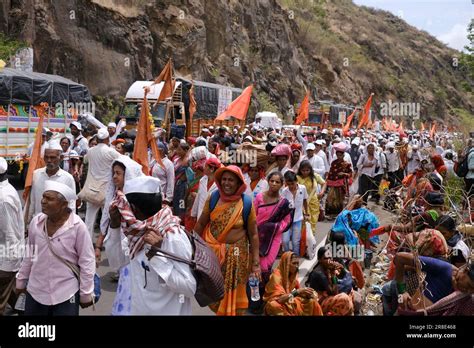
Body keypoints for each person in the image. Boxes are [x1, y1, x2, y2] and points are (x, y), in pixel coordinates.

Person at [104, 176, 196, 315]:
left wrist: (158, 255)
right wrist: (114, 227)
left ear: (133, 210)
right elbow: (117, 263)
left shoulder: (173, 236)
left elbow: (189, 287)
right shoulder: (136, 236)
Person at [16, 181, 95, 315]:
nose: (43, 201)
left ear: (64, 204)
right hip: (36, 291)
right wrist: (21, 280)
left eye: (49, 199)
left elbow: (87, 261)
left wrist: (86, 292)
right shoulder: (37, 222)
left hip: (65, 292)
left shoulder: (77, 226)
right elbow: (29, 254)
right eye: (43, 197)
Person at [194, 165, 261, 316]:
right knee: (215, 295)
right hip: (214, 257)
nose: (226, 183)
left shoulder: (246, 203)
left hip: (238, 257)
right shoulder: (213, 198)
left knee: (236, 296)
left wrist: (256, 263)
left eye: (231, 180)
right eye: (223, 179)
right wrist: (192, 248)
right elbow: (201, 224)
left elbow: (254, 234)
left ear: (239, 183)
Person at [100, 156, 144, 315]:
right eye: (113, 173)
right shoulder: (116, 201)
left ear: (129, 175)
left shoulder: (141, 205)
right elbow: (114, 249)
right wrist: (114, 223)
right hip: (125, 267)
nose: (114, 177)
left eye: (118, 173)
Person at [251, 172, 293, 313]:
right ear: (268, 181)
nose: (274, 184)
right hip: (257, 236)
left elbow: (286, 221)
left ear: (282, 184)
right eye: (272, 181)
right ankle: (254, 301)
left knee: (266, 267)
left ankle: (264, 298)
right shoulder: (259, 197)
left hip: (274, 238)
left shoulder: (283, 203)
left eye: (277, 182)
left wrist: (273, 228)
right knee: (255, 269)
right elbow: (252, 216)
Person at [393, 252, 474, 315]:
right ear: (465, 271)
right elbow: (399, 258)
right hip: (409, 312)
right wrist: (402, 292)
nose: (469, 291)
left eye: (473, 291)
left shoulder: (465, 298)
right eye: (469, 285)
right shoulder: (444, 268)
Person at [81, 128, 120, 241]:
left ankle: (87, 244)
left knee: (89, 220)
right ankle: (104, 242)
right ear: (107, 139)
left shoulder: (91, 151)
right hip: (105, 191)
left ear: (97, 139)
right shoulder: (111, 152)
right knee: (106, 219)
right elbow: (122, 160)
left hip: (91, 190)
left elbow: (85, 160)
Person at [26, 142, 76, 225]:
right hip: (38, 223)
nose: (49, 160)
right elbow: (33, 201)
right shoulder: (36, 174)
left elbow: (71, 205)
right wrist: (29, 222)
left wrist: (70, 225)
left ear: (61, 158)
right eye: (46, 157)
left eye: (53, 157)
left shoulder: (68, 178)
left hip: (59, 225)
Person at [0, 158, 24, 315]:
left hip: (6, 257)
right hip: (7, 255)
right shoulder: (5, 190)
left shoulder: (3, 199)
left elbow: (10, 234)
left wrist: (10, 262)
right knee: (11, 292)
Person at [263, 251, 322, 316]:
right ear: (286, 263)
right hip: (278, 303)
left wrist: (308, 293)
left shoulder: (292, 275)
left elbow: (299, 291)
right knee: (274, 305)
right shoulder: (276, 277)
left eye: (297, 263)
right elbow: (279, 300)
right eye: (294, 263)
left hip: (288, 300)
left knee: (311, 302)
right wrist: (298, 292)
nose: (296, 266)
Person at [306, 246, 356, 316]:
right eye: (326, 258)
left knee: (350, 291)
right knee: (344, 298)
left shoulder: (327, 268)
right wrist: (333, 274)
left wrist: (342, 268)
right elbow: (334, 292)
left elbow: (345, 277)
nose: (329, 260)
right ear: (319, 260)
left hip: (327, 295)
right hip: (319, 301)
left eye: (330, 257)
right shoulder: (319, 273)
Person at [281, 171, 309, 256]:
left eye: (292, 183)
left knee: (295, 241)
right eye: (288, 184)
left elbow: (305, 201)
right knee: (285, 241)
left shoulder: (303, 188)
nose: (291, 186)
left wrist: (306, 213)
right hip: (286, 220)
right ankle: (286, 257)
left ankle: (295, 258)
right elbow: (281, 205)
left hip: (298, 219)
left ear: (296, 181)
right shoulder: (284, 191)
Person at [297, 160, 326, 232]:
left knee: (313, 220)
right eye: (303, 170)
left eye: (307, 170)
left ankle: (311, 236)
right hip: (301, 203)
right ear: (300, 170)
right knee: (304, 221)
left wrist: (322, 192)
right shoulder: (297, 178)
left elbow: (324, 183)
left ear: (310, 170)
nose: (305, 172)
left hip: (313, 202)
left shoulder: (315, 176)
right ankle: (303, 239)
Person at [325, 143, 353, 217]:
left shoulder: (346, 164)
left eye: (340, 155)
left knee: (340, 199)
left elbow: (350, 174)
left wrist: (344, 174)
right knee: (331, 198)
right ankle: (331, 214)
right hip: (333, 184)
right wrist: (328, 181)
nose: (339, 156)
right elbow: (331, 173)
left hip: (341, 184)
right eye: (338, 155)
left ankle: (339, 215)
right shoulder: (333, 163)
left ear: (343, 155)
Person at [173, 142, 193, 222]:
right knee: (176, 201)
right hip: (177, 184)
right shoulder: (177, 160)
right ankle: (175, 217)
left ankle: (181, 218)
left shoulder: (188, 161)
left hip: (183, 186)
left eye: (179, 150)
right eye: (177, 149)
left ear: (185, 151)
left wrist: (189, 152)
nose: (177, 151)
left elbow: (185, 165)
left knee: (181, 202)